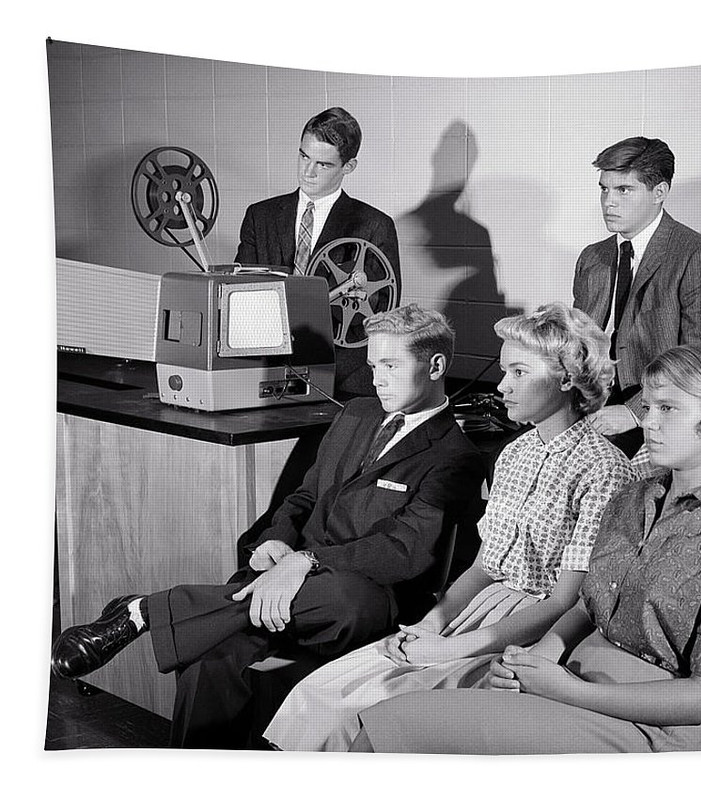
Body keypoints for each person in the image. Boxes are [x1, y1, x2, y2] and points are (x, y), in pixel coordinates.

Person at [51, 304, 486, 749]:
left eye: (391, 365)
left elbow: (404, 550)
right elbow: (304, 497)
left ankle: (146, 611)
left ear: (435, 366)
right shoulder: (356, 412)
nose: (377, 379)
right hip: (289, 579)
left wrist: (306, 561)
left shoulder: (456, 456)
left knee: (343, 599)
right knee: (208, 658)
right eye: (374, 365)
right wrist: (278, 541)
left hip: (363, 596)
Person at [349, 343, 701, 755]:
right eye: (649, 407)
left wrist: (563, 687)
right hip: (567, 678)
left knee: (387, 730)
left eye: (668, 409)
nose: (649, 422)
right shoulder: (633, 499)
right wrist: (536, 659)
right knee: (378, 718)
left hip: (644, 723)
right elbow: (587, 605)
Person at [262, 303, 639, 751]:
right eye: (504, 371)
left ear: (567, 378)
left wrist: (451, 650)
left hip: (535, 632)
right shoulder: (515, 455)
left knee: (366, 719)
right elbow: (482, 568)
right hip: (471, 612)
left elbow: (568, 599)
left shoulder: (605, 470)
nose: (502, 386)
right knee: (318, 696)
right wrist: (430, 625)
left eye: (519, 373)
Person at [573, 137, 701, 455]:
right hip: (591, 403)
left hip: (660, 411)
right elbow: (576, 344)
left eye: (623, 190)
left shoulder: (699, 255)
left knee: (591, 467)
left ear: (659, 192)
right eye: (604, 188)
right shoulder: (593, 256)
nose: (609, 202)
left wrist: (636, 411)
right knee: (509, 454)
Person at [234, 106, 401, 396]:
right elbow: (241, 291)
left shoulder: (375, 226)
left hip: (343, 378)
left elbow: (380, 314)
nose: (308, 171)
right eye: (303, 156)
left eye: (323, 164)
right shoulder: (260, 216)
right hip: (266, 369)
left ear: (348, 167)